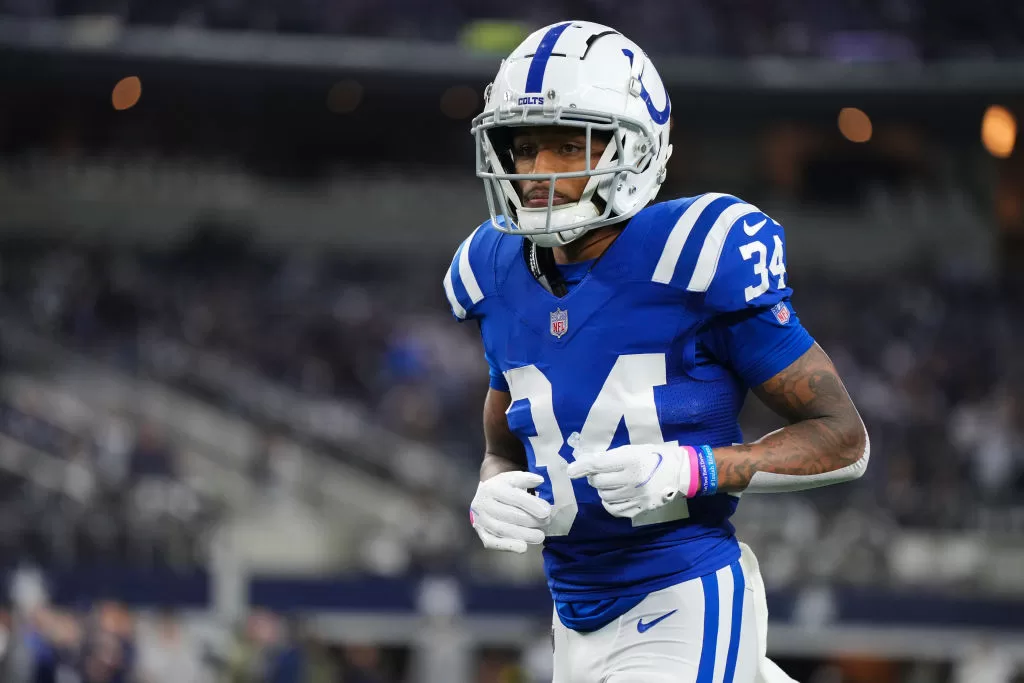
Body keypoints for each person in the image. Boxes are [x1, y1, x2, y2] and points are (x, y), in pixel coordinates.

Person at [443, 20, 870, 683]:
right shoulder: (490, 272)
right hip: (571, 617)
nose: (535, 170)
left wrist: (691, 468)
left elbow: (844, 438)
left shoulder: (696, 254)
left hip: (683, 594)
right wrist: (490, 482)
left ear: (636, 149)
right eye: (524, 146)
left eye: (567, 144)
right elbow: (505, 436)